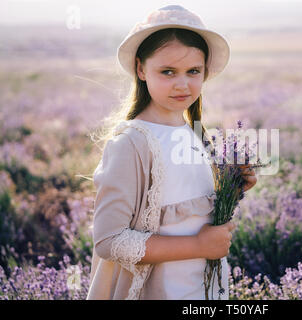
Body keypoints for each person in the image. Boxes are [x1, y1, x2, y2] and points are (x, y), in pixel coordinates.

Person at [86, 5, 257, 300]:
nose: (183, 84)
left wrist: (233, 186)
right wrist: (199, 247)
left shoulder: (196, 135)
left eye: (193, 71)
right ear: (141, 69)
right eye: (167, 72)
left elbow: (193, 211)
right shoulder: (132, 143)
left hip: (203, 290)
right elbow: (109, 241)